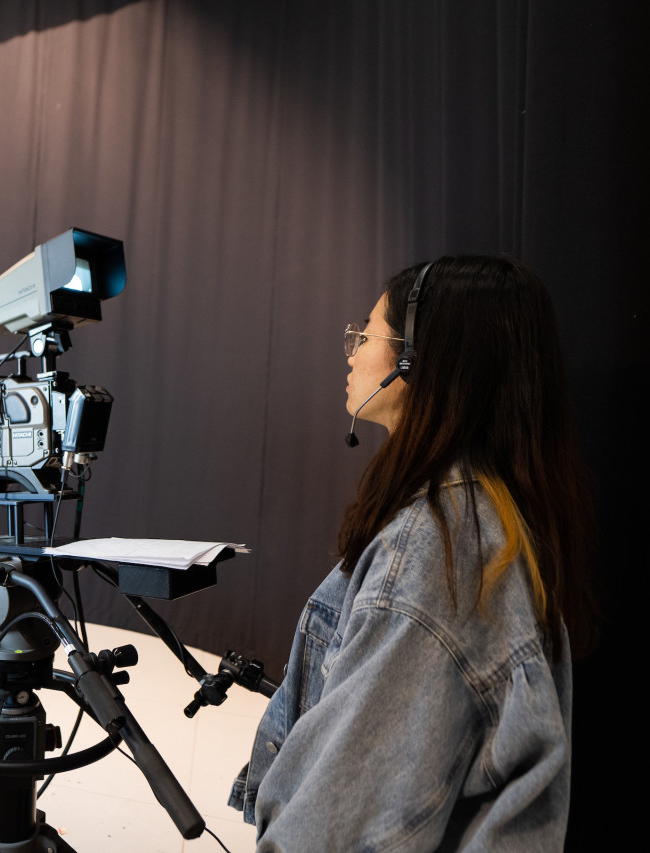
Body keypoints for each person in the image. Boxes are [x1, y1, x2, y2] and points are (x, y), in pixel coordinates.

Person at [229, 256, 596, 849]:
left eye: (366, 335)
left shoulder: (435, 552)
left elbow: (336, 831)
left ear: (417, 360)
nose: (351, 353)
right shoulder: (480, 516)